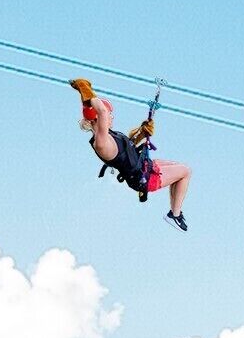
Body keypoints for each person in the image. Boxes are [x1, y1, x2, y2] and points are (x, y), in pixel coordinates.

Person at [71, 78, 189, 229]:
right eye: (109, 114)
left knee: (178, 167)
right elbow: (101, 111)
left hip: (144, 167)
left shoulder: (110, 136)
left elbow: (128, 147)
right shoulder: (100, 143)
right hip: (144, 177)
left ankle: (174, 211)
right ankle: (175, 215)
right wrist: (85, 89)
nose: (111, 116)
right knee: (185, 171)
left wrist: (142, 131)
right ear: (97, 118)